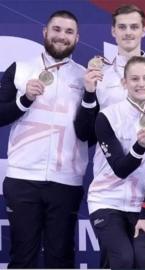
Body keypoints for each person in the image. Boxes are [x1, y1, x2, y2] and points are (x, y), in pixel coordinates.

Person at [0, 10, 86, 268]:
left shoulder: (85, 78)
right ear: (45, 33)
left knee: (60, 259)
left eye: (69, 32)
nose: (62, 36)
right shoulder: (21, 69)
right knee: (23, 258)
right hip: (23, 178)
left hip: (66, 181)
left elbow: (90, 131)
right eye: (57, 30)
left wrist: (91, 95)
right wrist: (23, 99)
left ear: (77, 38)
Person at [85, 56, 145, 268]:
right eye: (134, 79)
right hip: (107, 199)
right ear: (124, 83)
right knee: (123, 259)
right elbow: (120, 168)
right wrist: (140, 147)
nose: (141, 84)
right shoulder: (106, 117)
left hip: (144, 202)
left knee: (143, 260)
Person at [75, 4, 145, 143]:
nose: (128, 32)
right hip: (108, 161)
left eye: (134, 27)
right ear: (113, 31)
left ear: (144, 31)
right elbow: (86, 133)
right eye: (122, 27)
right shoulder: (99, 75)